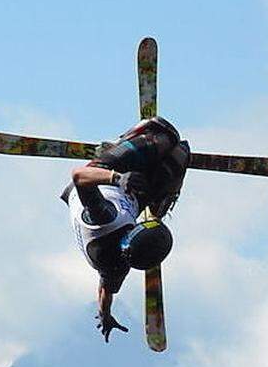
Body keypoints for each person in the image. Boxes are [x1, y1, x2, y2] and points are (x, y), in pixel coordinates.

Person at [60, 116, 190, 341]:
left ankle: (127, 140)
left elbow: (79, 176)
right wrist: (105, 314)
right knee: (181, 155)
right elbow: (105, 292)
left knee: (167, 138)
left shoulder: (103, 216)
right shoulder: (117, 267)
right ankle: (160, 196)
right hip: (132, 199)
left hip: (101, 178)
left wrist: (117, 177)